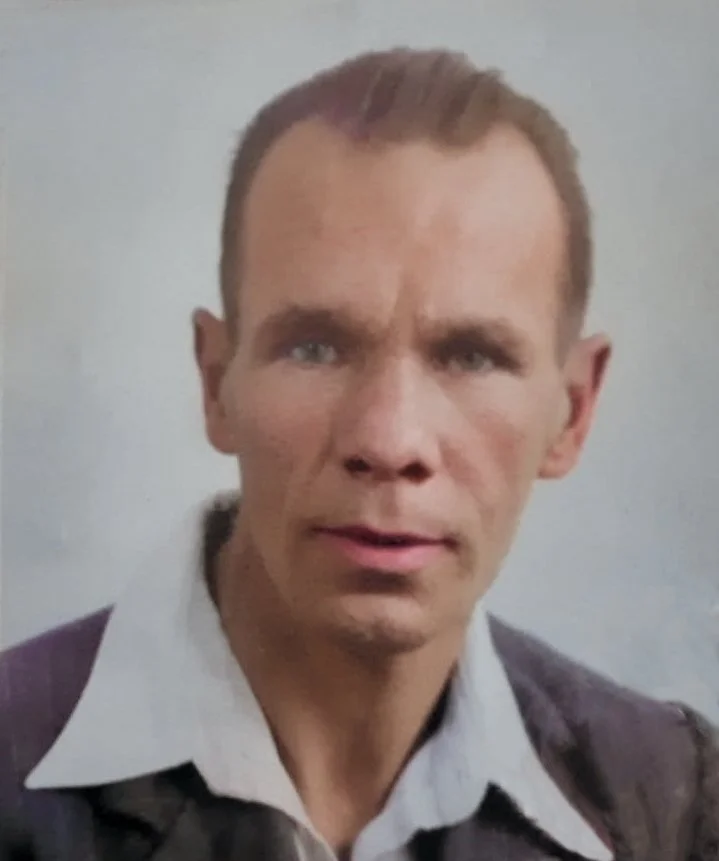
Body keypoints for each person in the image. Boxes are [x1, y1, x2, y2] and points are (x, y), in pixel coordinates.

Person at [1, 47, 717, 861]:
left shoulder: (668, 800)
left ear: (572, 411)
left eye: (472, 355)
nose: (389, 440)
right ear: (214, 381)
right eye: (314, 348)